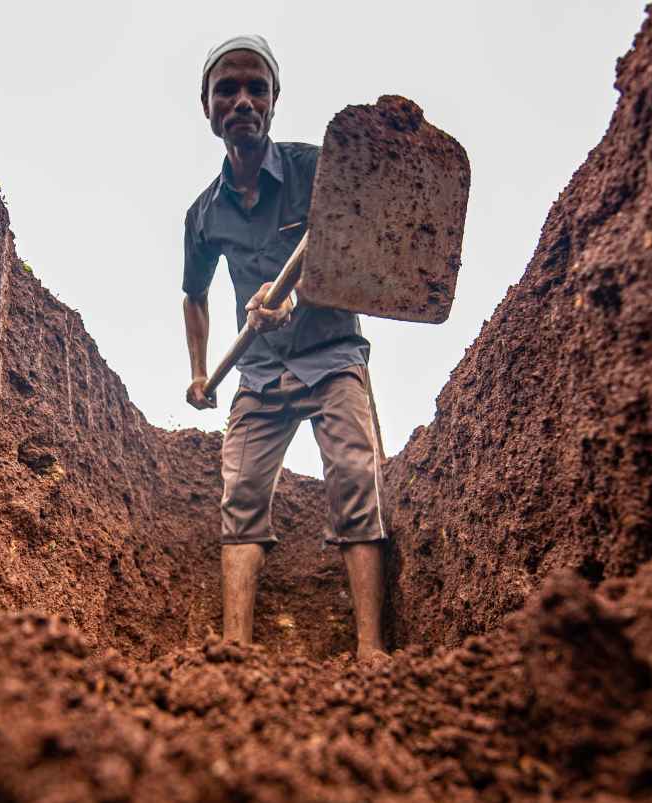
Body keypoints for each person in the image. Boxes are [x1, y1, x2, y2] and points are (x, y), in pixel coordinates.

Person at [182, 34, 388, 660]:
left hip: (332, 358)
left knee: (356, 477)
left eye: (256, 89)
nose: (242, 100)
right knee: (240, 497)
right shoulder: (203, 214)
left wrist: (297, 300)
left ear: (273, 103)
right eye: (228, 90)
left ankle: (372, 652)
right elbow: (195, 296)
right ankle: (235, 649)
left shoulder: (319, 169)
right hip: (258, 374)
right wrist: (198, 375)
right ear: (208, 106)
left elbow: (362, 249)